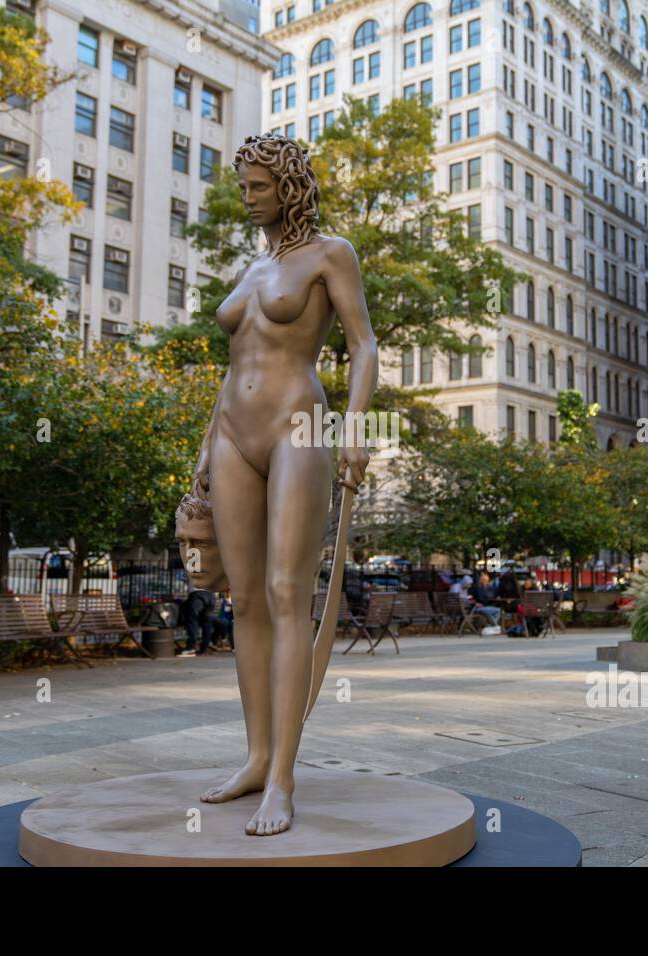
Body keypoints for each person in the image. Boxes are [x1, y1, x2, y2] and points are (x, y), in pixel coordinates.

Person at [187, 133, 378, 836]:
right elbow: (233, 364)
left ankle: (285, 781)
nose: (248, 199)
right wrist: (205, 454)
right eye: (243, 188)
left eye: (258, 187)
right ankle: (256, 757)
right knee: (244, 601)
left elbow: (364, 343)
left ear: (289, 187)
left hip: (300, 426)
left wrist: (356, 427)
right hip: (233, 434)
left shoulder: (332, 254)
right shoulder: (250, 265)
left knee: (286, 594)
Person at [179, 587, 216, 657]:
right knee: (207, 623)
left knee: (192, 621)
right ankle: (204, 649)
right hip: (211, 595)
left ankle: (191, 648)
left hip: (197, 594)